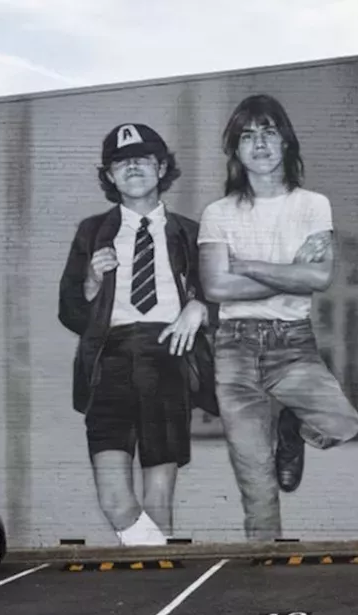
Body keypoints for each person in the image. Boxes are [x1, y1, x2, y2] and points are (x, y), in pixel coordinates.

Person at [198, 94, 358, 541]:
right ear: (235, 150)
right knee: (255, 479)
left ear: (286, 141)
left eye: (269, 131)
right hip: (234, 349)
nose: (260, 143)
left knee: (343, 423)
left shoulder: (312, 205)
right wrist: (291, 271)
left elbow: (320, 276)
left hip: (292, 344)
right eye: (248, 135)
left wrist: (247, 266)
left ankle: (292, 427)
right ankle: (263, 564)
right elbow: (215, 287)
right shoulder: (218, 214)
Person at [58, 122, 218, 546]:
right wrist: (92, 283)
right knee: (114, 498)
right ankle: (157, 559)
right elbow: (70, 312)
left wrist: (198, 308)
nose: (132, 167)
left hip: (167, 356)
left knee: (159, 497)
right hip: (108, 361)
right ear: (109, 175)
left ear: (161, 168)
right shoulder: (92, 232)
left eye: (143, 159)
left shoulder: (190, 231)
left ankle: (154, 585)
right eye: (120, 161)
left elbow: (221, 295)